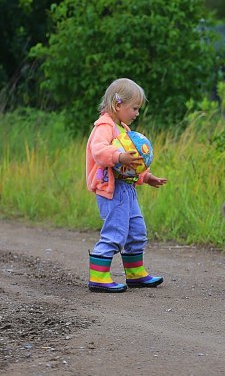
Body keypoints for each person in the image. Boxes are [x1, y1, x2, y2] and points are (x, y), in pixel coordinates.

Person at [85, 78, 168, 293]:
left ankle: (135, 273)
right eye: (135, 108)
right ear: (117, 104)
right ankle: (98, 276)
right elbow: (99, 151)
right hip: (111, 191)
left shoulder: (122, 128)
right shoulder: (104, 126)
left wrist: (146, 177)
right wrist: (119, 156)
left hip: (127, 189)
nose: (137, 113)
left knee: (137, 231)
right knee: (115, 232)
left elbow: (130, 166)